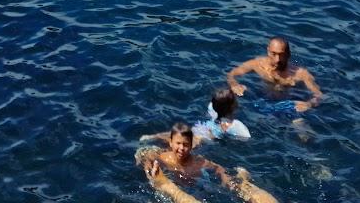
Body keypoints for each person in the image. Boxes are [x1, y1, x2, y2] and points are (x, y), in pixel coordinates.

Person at [136, 123, 277, 203]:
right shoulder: (163, 157)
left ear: (191, 145)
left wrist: (224, 177)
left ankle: (243, 179)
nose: (181, 148)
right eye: (178, 143)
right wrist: (148, 165)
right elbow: (146, 155)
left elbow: (217, 168)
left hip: (197, 186)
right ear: (171, 143)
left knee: (243, 189)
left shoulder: (199, 162)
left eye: (185, 145)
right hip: (176, 185)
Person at [227, 38, 324, 113]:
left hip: (289, 105)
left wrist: (309, 104)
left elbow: (319, 95)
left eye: (281, 55)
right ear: (268, 51)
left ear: (288, 54)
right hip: (260, 99)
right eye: (274, 54)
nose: (277, 59)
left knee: (302, 131)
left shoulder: (301, 73)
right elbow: (232, 74)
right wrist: (234, 84)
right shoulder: (257, 64)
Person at [142, 89, 251, 146]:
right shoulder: (234, 125)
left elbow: (214, 104)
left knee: (182, 136)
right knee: (191, 143)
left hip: (200, 127)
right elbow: (246, 138)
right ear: (233, 106)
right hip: (208, 136)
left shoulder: (213, 109)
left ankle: (153, 137)